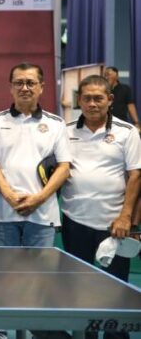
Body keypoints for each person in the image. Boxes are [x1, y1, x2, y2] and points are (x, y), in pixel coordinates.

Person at [0, 63, 71, 339]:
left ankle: (38, 331)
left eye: (31, 82)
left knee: (39, 278)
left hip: (42, 214)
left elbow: (64, 167)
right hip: (3, 214)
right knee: (2, 275)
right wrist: (10, 196)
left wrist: (38, 199)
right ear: (11, 87)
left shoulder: (56, 124)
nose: (25, 87)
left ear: (41, 87)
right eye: (19, 82)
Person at [61, 75, 140, 339]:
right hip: (74, 221)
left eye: (98, 98)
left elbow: (135, 175)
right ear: (79, 101)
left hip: (113, 224)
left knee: (115, 290)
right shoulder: (65, 131)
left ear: (110, 100)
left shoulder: (127, 132)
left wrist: (126, 218)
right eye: (87, 98)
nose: (92, 103)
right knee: (79, 288)